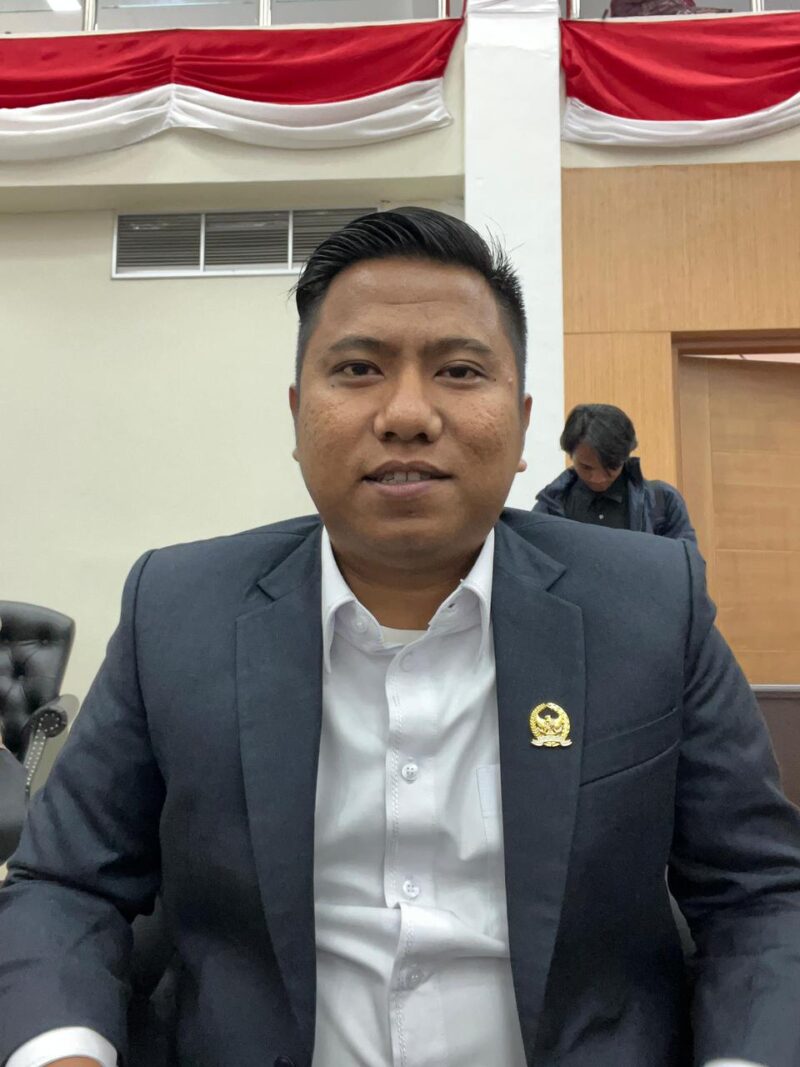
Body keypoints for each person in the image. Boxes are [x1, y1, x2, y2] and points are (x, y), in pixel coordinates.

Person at [0, 208, 798, 1067]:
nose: (408, 414)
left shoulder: (651, 606)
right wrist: (63, 1052)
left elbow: (760, 896)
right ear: (298, 415)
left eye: (459, 370)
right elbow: (64, 884)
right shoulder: (177, 610)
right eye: (358, 368)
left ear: (521, 421)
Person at [534, 402, 697, 541]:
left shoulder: (663, 501)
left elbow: (687, 563)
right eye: (586, 467)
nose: (598, 478)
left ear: (626, 457)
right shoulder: (550, 506)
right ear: (570, 454)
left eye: (611, 467)